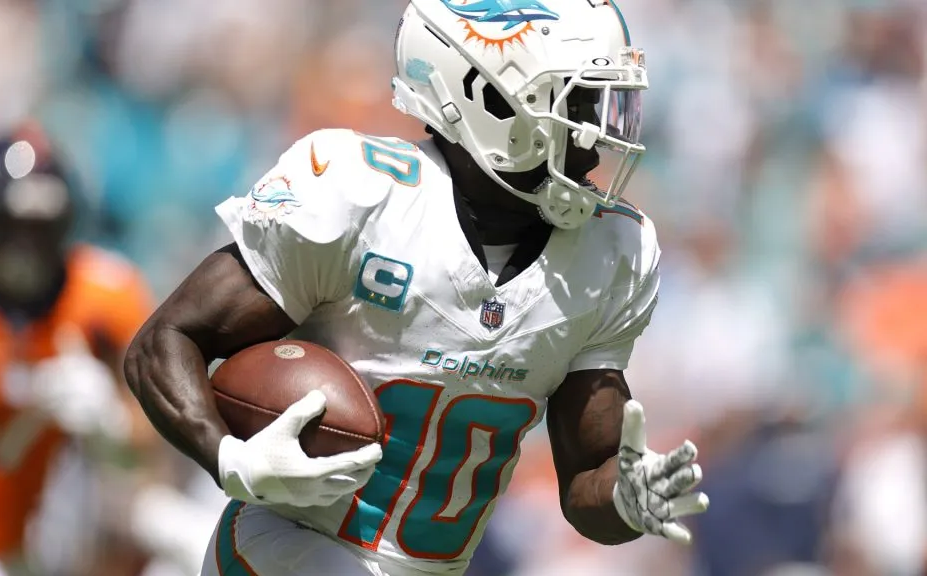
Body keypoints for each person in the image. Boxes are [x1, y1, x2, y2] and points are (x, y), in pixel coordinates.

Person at [124, 1, 710, 574]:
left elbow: (588, 481)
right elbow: (167, 339)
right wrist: (230, 458)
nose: (597, 137)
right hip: (282, 547)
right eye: (577, 107)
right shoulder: (363, 197)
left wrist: (628, 497)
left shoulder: (612, 254)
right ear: (492, 101)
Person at [0, 123, 153, 576]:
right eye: (11, 224)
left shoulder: (100, 300)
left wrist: (110, 423)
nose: (28, 248)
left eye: (43, 228)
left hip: (20, 554)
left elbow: (149, 447)